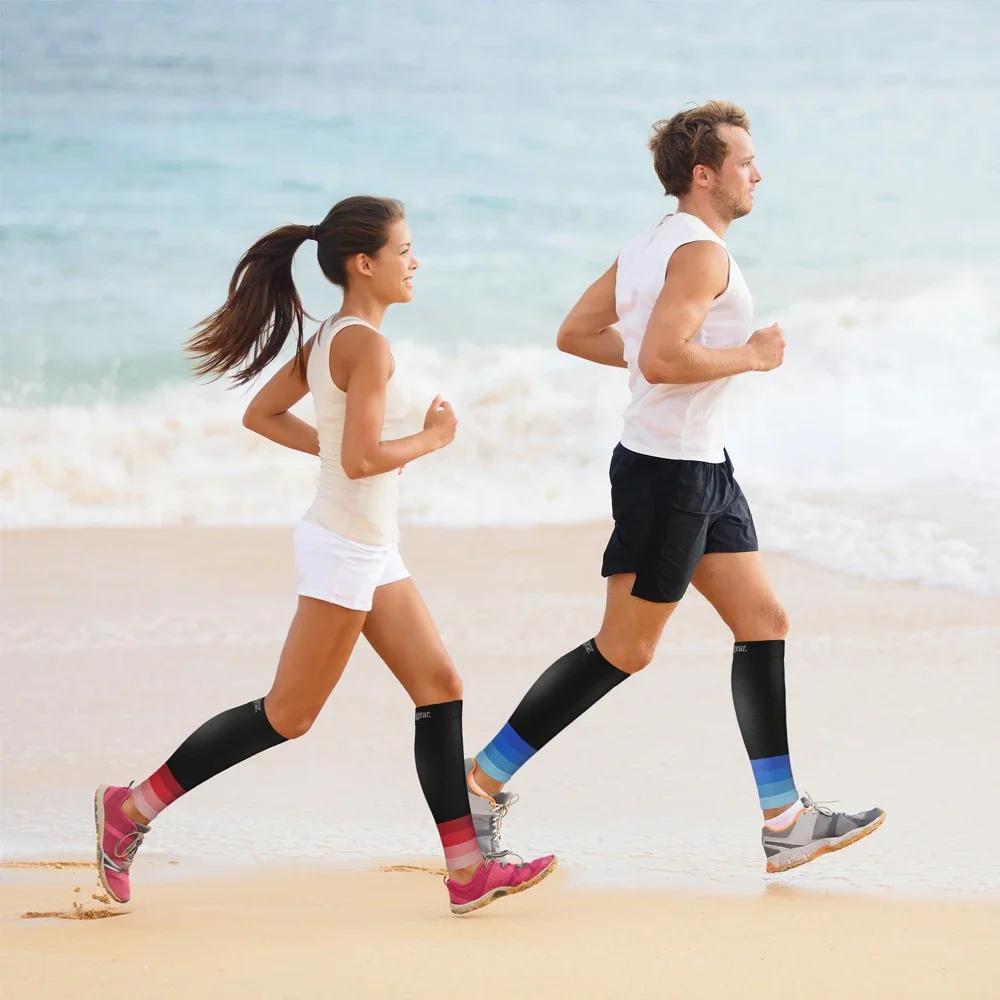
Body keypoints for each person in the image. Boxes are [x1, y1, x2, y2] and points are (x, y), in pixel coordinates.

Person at [94, 195, 556, 915]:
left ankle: (467, 869)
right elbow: (363, 455)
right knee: (289, 714)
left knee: (439, 686)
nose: (414, 262)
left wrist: (343, 459)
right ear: (363, 264)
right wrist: (430, 441)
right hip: (345, 546)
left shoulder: (334, 336)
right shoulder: (363, 344)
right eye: (404, 250)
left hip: (366, 543)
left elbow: (268, 416)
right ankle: (132, 808)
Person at [465, 103, 885, 874]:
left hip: (700, 464)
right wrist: (750, 357)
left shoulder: (649, 244)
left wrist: (665, 360)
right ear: (704, 174)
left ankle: (784, 819)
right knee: (622, 651)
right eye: (745, 161)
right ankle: (479, 787)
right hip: (670, 472)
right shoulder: (699, 254)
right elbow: (661, 359)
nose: (758, 173)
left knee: (763, 619)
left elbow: (579, 333)